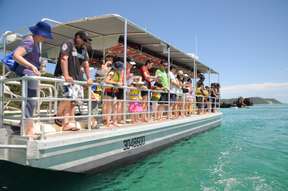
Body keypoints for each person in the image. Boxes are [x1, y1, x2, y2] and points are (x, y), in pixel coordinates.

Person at [12, 21, 53, 138]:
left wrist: (37, 68)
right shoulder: (30, 41)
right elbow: (16, 55)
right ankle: (28, 129)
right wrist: (31, 66)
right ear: (39, 33)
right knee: (31, 101)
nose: (45, 38)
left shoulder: (35, 42)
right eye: (45, 36)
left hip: (31, 75)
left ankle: (24, 125)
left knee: (31, 101)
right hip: (27, 74)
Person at [54, 31, 93, 131]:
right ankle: (58, 115)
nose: (85, 42)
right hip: (64, 75)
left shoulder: (84, 49)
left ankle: (67, 123)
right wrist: (66, 75)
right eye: (83, 40)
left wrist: (89, 78)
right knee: (67, 97)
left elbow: (86, 64)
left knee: (73, 102)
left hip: (77, 79)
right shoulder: (68, 44)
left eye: (86, 41)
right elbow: (64, 59)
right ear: (77, 37)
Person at [103, 60, 124, 127]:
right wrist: (116, 83)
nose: (121, 70)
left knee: (114, 107)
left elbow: (119, 82)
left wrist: (119, 84)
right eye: (120, 69)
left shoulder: (117, 73)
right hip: (109, 91)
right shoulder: (112, 72)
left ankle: (114, 122)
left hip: (114, 91)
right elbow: (106, 80)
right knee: (109, 108)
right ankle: (108, 122)